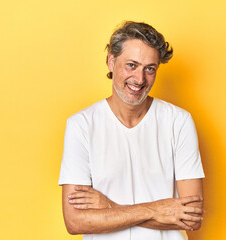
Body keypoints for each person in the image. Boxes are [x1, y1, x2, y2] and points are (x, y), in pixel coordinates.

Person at [58, 21, 205, 240]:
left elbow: (190, 218)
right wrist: (156, 210)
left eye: (150, 69)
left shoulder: (179, 122)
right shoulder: (81, 125)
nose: (139, 79)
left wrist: (108, 206)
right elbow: (75, 221)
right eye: (131, 65)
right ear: (111, 61)